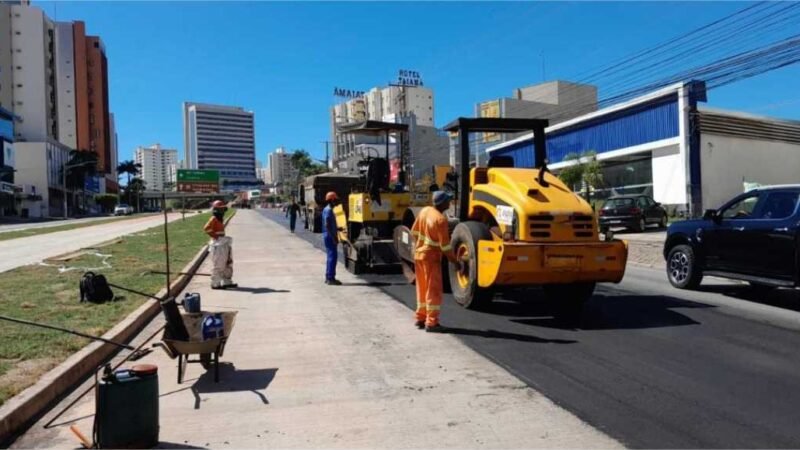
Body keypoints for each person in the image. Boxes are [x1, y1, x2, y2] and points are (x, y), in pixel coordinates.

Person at [411, 191, 460, 332]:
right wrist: (455, 261)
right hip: (431, 258)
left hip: (419, 255)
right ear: (442, 203)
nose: (449, 203)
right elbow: (445, 247)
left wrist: (419, 246)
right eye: (448, 201)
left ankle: (420, 318)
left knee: (421, 287)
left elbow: (414, 232)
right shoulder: (440, 220)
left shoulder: (425, 211)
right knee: (433, 290)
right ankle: (431, 323)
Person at [204, 200, 237, 290]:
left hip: (223, 242)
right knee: (219, 264)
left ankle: (227, 281)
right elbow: (206, 228)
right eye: (221, 210)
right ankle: (215, 283)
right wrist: (215, 236)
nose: (223, 211)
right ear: (217, 210)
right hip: (218, 244)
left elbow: (226, 208)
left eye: (223, 210)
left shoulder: (219, 219)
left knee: (228, 262)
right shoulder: (214, 218)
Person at [322, 191, 342, 285]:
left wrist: (337, 228)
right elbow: (327, 225)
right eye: (335, 200)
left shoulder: (328, 209)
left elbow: (330, 224)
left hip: (329, 235)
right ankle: (330, 278)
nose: (336, 202)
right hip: (329, 237)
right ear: (332, 200)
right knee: (332, 257)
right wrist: (334, 237)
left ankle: (329, 277)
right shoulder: (328, 210)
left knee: (331, 256)